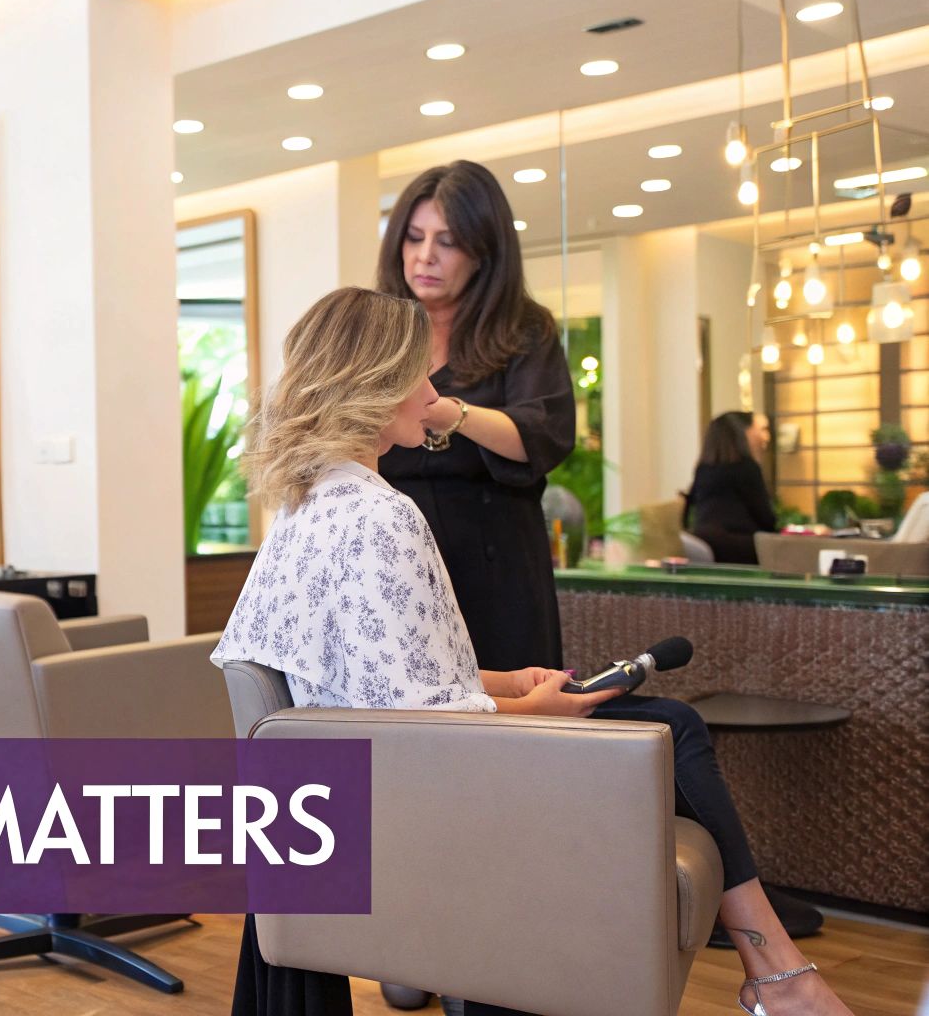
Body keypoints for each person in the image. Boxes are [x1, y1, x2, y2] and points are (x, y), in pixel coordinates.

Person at [215, 287, 853, 1016]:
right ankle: (778, 971)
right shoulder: (382, 516)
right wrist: (531, 707)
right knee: (671, 728)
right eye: (420, 374)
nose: (433, 392)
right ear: (377, 387)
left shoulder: (304, 509)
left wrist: (508, 682)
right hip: (417, 802)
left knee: (665, 721)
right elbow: (427, 729)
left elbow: (375, 677)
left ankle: (775, 971)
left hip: (357, 793)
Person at [374, 160, 574, 673]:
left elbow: (542, 435)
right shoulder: (380, 333)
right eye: (414, 238)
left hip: (498, 562)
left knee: (514, 716)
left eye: (447, 241)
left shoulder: (524, 330)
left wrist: (445, 412)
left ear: (483, 252)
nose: (425, 256)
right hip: (400, 562)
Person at [685, 411, 777, 563]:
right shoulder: (747, 468)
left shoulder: (703, 469)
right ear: (741, 435)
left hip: (703, 542)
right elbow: (765, 518)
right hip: (739, 546)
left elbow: (692, 506)